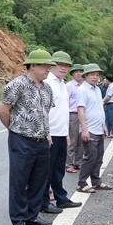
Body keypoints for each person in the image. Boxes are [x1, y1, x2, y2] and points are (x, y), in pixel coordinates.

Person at [0, 49, 55, 225]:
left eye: (49, 66)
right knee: (19, 180)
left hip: (41, 140)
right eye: (45, 66)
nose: (48, 69)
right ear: (32, 66)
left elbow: (45, 113)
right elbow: (2, 109)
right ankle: (18, 219)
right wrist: (13, 129)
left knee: (39, 180)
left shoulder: (46, 88)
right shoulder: (17, 85)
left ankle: (32, 214)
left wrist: (47, 133)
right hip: (21, 139)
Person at [41, 51, 82, 214]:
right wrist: (46, 132)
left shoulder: (62, 84)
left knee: (58, 168)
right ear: (52, 65)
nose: (63, 68)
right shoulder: (47, 83)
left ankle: (61, 198)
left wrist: (65, 133)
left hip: (60, 133)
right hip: (49, 133)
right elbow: (43, 110)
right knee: (46, 170)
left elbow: (63, 111)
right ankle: (43, 202)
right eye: (60, 64)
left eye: (66, 65)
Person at [76, 63, 113, 193]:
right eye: (92, 74)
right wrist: (84, 129)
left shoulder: (97, 89)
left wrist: (104, 126)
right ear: (85, 75)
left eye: (97, 75)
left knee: (98, 157)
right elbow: (81, 110)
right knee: (90, 157)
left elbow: (99, 108)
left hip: (98, 128)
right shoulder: (82, 90)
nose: (95, 77)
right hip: (89, 129)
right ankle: (82, 183)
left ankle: (96, 181)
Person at [65, 64, 85, 174]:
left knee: (82, 140)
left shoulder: (84, 86)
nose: (79, 73)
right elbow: (65, 102)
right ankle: (69, 164)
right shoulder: (69, 86)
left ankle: (78, 162)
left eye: (81, 71)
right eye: (76, 71)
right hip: (73, 114)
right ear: (72, 74)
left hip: (83, 114)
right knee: (72, 139)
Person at [101, 73, 113, 138]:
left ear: (107, 80)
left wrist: (102, 102)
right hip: (109, 104)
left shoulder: (112, 86)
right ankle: (108, 131)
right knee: (107, 118)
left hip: (111, 104)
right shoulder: (110, 86)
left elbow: (108, 97)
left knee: (111, 119)